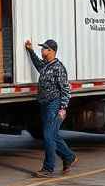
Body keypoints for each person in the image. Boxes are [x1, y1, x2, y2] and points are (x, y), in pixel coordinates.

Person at [25, 38, 78, 178]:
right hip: (45, 104)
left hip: (54, 104)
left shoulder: (58, 68)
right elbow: (37, 64)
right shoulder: (46, 65)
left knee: (48, 136)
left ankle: (48, 168)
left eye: (44, 48)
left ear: (52, 51)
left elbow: (66, 89)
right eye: (42, 48)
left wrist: (63, 108)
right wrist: (30, 50)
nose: (42, 50)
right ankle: (69, 157)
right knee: (52, 135)